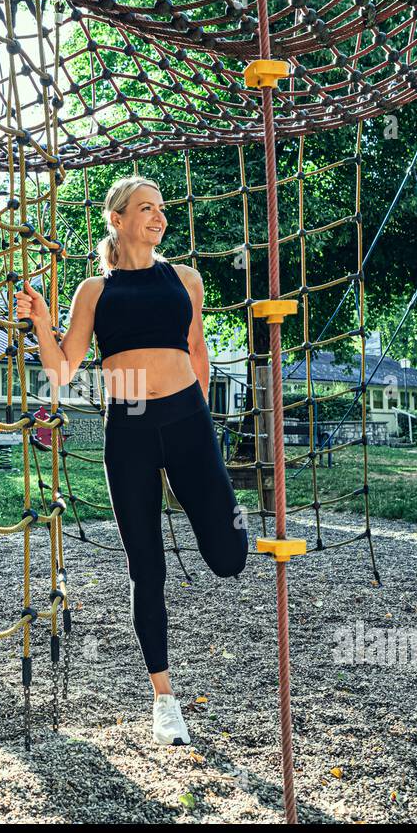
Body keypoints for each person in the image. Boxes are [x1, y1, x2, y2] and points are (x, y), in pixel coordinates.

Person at [15, 175, 249, 746]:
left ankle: (228, 513)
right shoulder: (95, 291)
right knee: (147, 567)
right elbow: (63, 369)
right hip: (131, 432)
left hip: (188, 420)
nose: (159, 216)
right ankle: (163, 699)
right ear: (117, 219)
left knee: (228, 559)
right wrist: (43, 323)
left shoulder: (185, 280)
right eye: (146, 207)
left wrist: (197, 416)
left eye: (161, 207)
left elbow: (199, 353)